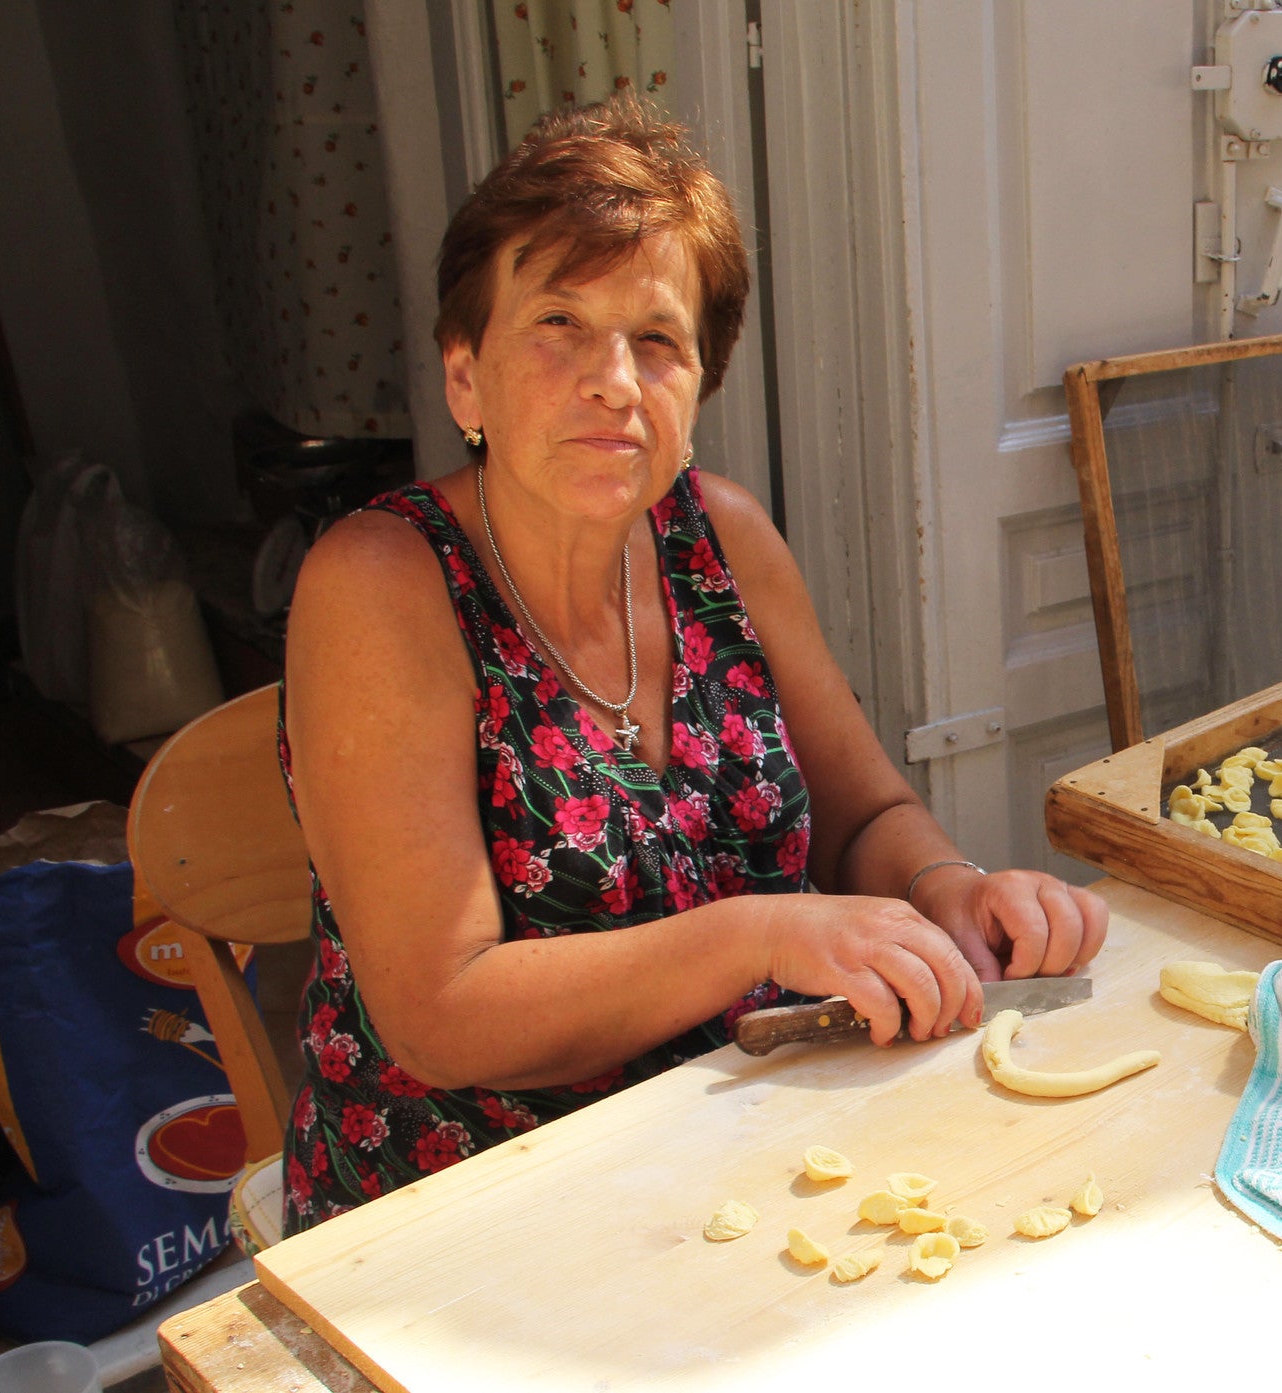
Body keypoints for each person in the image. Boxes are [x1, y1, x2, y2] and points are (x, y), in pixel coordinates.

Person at [276, 97, 1108, 1230]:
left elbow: (861, 814)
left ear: (698, 389)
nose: (616, 379)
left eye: (658, 341)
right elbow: (440, 1013)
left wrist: (948, 892)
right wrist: (765, 931)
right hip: (474, 1205)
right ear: (465, 378)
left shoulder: (722, 538)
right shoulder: (379, 583)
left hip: (748, 1121)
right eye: (559, 323)